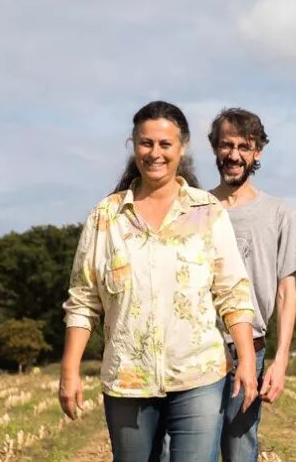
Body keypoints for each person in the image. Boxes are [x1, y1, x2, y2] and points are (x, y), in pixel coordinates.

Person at [59, 101, 259, 462]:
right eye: (146, 143)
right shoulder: (105, 217)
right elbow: (84, 300)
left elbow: (233, 292)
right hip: (127, 377)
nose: (155, 153)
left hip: (198, 373)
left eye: (165, 144)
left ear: (181, 148)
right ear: (133, 145)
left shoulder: (207, 211)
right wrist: (69, 371)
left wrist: (246, 359)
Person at [208, 108, 296, 461]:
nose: (234, 155)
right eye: (226, 145)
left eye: (244, 146)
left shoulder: (280, 213)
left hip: (250, 351)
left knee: (240, 450)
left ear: (258, 152)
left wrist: (280, 360)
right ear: (214, 149)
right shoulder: (195, 209)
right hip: (197, 351)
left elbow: (287, 292)